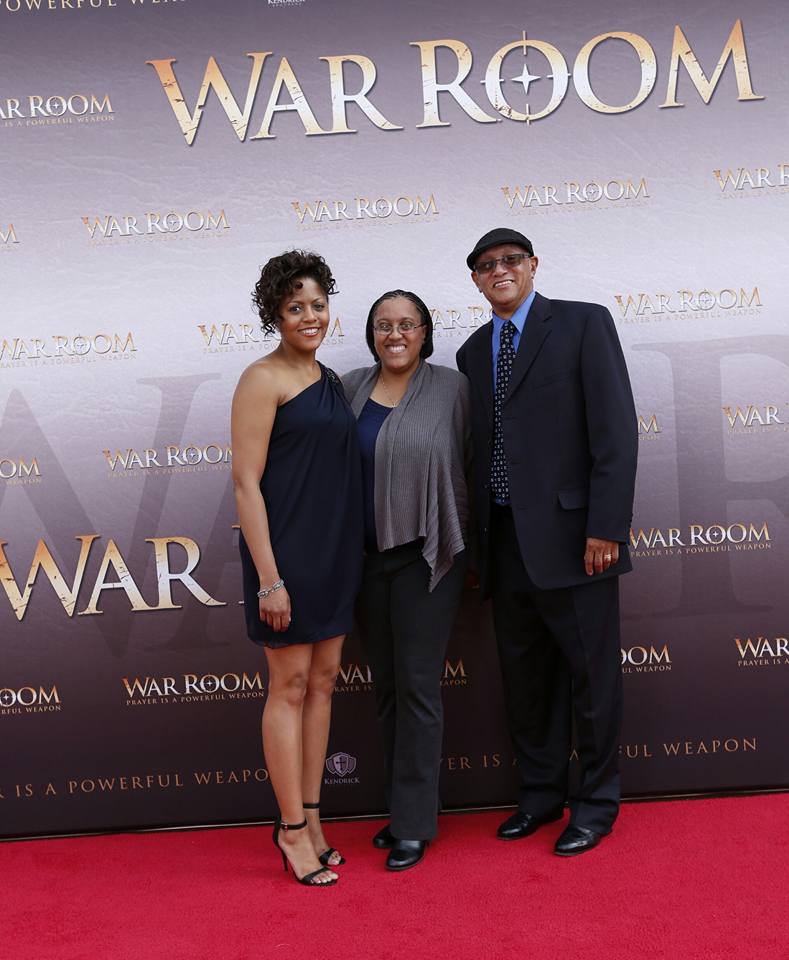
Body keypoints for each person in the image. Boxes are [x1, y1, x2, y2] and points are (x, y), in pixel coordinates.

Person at [456, 228, 638, 856]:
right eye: (485, 265)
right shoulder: (473, 353)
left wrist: (607, 526)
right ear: (475, 280)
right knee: (526, 681)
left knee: (592, 679)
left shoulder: (585, 325)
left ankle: (595, 803)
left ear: (533, 265)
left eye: (510, 260)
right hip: (504, 544)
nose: (498, 270)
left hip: (577, 539)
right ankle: (539, 797)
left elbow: (616, 432)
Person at [231, 250, 363, 886]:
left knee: (324, 681)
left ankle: (312, 819)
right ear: (274, 315)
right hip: (284, 558)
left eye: (317, 305)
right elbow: (245, 485)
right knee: (287, 686)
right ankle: (288, 830)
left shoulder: (332, 380)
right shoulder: (262, 378)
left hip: (334, 553)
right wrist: (270, 578)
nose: (310, 317)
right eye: (295, 307)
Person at [342, 290, 470, 871]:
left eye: (407, 325)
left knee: (418, 689)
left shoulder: (451, 388)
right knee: (387, 687)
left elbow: (468, 466)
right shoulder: (348, 388)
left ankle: (416, 825)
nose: (395, 334)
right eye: (383, 325)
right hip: (366, 563)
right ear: (372, 333)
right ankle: (400, 810)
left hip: (426, 559)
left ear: (425, 332)